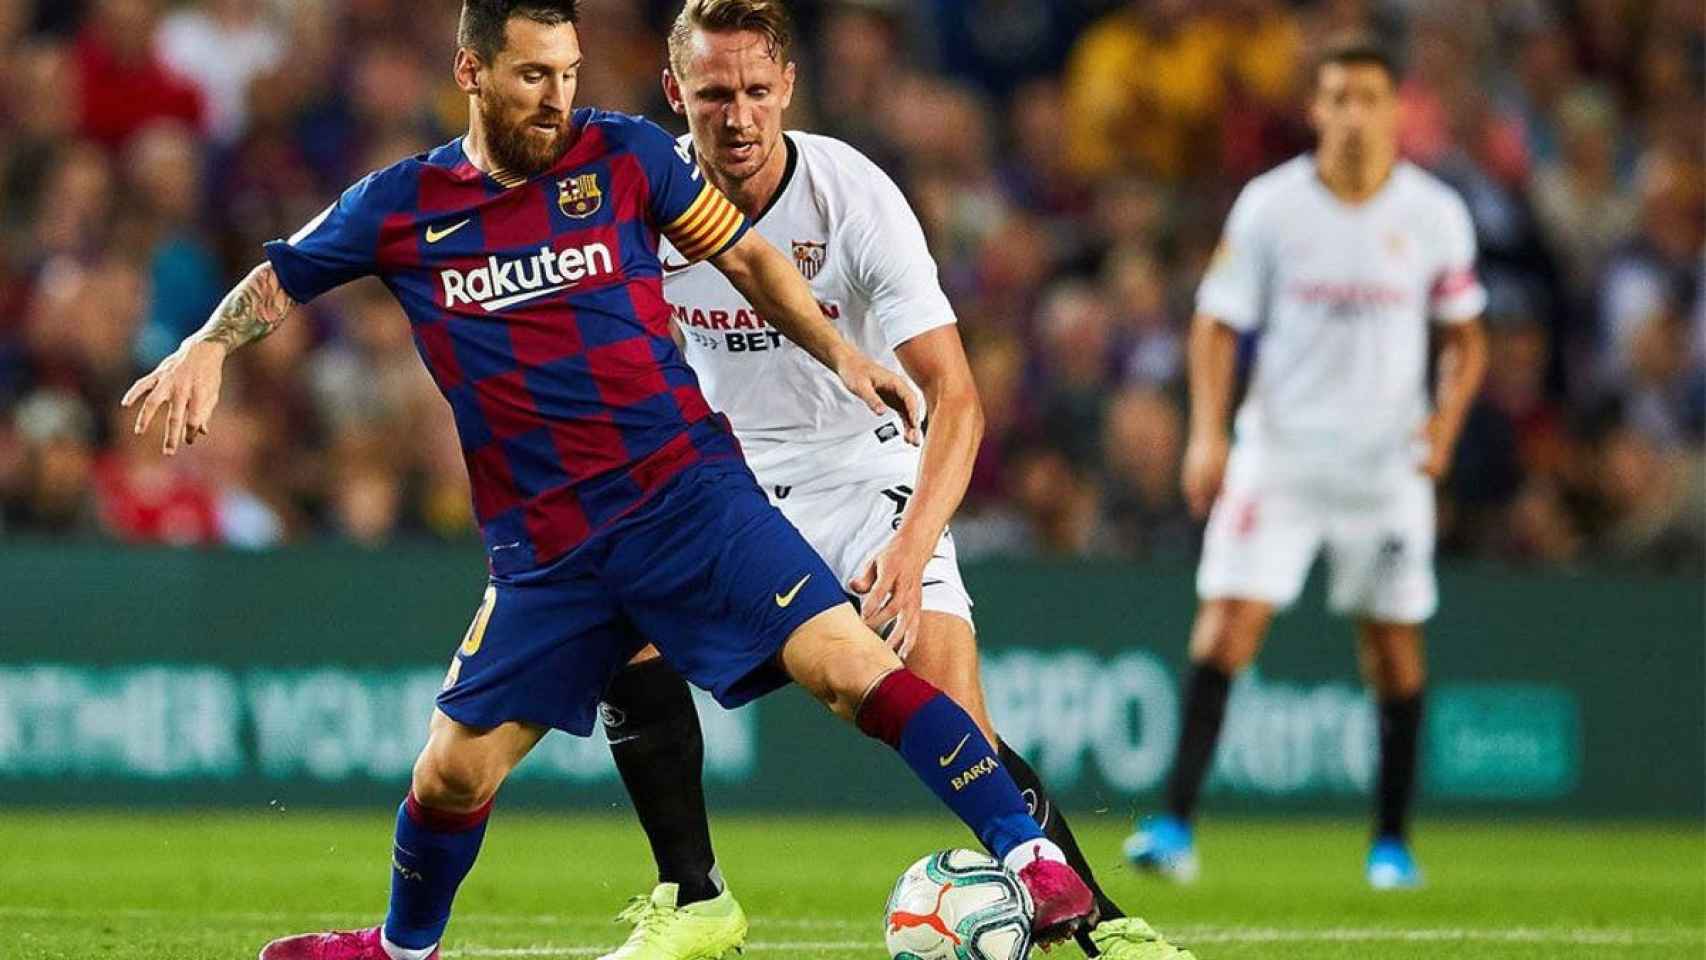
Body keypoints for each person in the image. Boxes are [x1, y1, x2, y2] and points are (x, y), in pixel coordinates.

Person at [121, 4, 1097, 958]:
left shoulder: (626, 156)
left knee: (855, 670)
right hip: (545, 549)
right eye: (532, 74)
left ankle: (1032, 859)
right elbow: (282, 275)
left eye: (569, 73)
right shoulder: (403, 205)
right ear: (471, 73)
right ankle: (401, 947)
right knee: (451, 775)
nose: (556, 98)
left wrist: (840, 353)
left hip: (687, 496)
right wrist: (208, 345)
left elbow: (747, 254)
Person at [591, 3, 1194, 959]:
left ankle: (1102, 926)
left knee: (955, 721)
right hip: (723, 478)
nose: (739, 117)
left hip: (860, 468)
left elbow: (957, 396)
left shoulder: (853, 196)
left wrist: (910, 552)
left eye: (757, 91)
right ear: (675, 94)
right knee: (619, 627)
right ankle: (694, 896)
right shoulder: (642, 202)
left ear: (789, 86)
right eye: (714, 95)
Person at [1124, 37, 1489, 890]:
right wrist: (1207, 433)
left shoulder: (1434, 213)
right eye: (1338, 97)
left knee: (1393, 649)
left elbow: (1466, 340)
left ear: (1396, 109)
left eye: (1370, 96)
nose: (1355, 113)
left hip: (1385, 468)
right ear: (1316, 110)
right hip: (1279, 455)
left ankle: (1391, 844)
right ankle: (1174, 828)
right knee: (1225, 626)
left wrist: (1444, 427)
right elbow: (1216, 321)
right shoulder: (1271, 206)